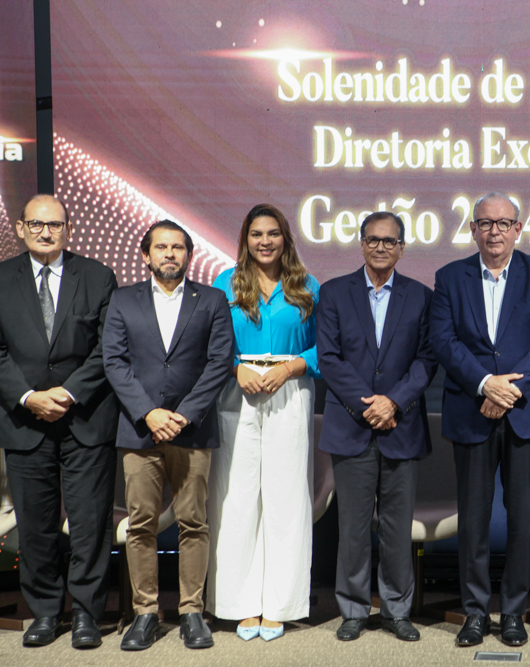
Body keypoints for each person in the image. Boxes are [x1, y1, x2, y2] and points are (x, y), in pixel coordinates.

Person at [429, 192, 530, 647]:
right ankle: (474, 613)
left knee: (523, 518)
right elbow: (443, 341)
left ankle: (513, 612)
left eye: (504, 223)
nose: (494, 231)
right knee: (474, 518)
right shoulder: (450, 277)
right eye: (485, 223)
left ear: (518, 229)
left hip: (525, 411)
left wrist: (508, 392)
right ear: (472, 229)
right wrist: (485, 384)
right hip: (472, 408)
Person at [103, 220, 234, 651]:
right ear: (146, 255)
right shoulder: (123, 299)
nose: (170, 254)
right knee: (141, 524)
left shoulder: (212, 299)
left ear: (188, 254)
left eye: (178, 247)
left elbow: (219, 362)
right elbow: (114, 361)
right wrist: (149, 413)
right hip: (140, 431)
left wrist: (184, 415)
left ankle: (192, 612)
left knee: (194, 522)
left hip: (191, 431)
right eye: (161, 247)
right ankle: (145, 613)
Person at [0, 195, 118, 648]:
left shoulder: (98, 276)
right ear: (20, 227)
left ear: (69, 229)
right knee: (35, 524)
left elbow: (108, 348)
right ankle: (46, 612)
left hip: (85, 415)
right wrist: (29, 397)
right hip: (24, 420)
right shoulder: (2, 278)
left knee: (90, 522)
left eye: (55, 225)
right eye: (37, 224)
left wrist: (67, 393)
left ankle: (87, 612)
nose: (46, 232)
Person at [317, 211, 436, 643]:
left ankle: (396, 610)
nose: (381, 247)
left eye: (389, 241)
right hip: (352, 424)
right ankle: (353, 609)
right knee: (351, 527)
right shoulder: (334, 292)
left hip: (401, 425)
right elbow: (329, 357)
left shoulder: (421, 296)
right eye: (373, 239)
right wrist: (367, 405)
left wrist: (393, 402)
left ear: (402, 248)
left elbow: (427, 359)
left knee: (396, 528)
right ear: (361, 244)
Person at [205, 204, 320, 641]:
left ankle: (280, 605)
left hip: (290, 390)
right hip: (236, 391)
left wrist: (292, 367)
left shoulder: (307, 286)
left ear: (285, 238)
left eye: (273, 233)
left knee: (286, 500)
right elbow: (209, 341)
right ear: (245, 239)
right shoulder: (224, 283)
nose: (265, 241)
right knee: (234, 498)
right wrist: (236, 368)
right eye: (256, 234)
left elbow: (327, 346)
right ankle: (239, 604)